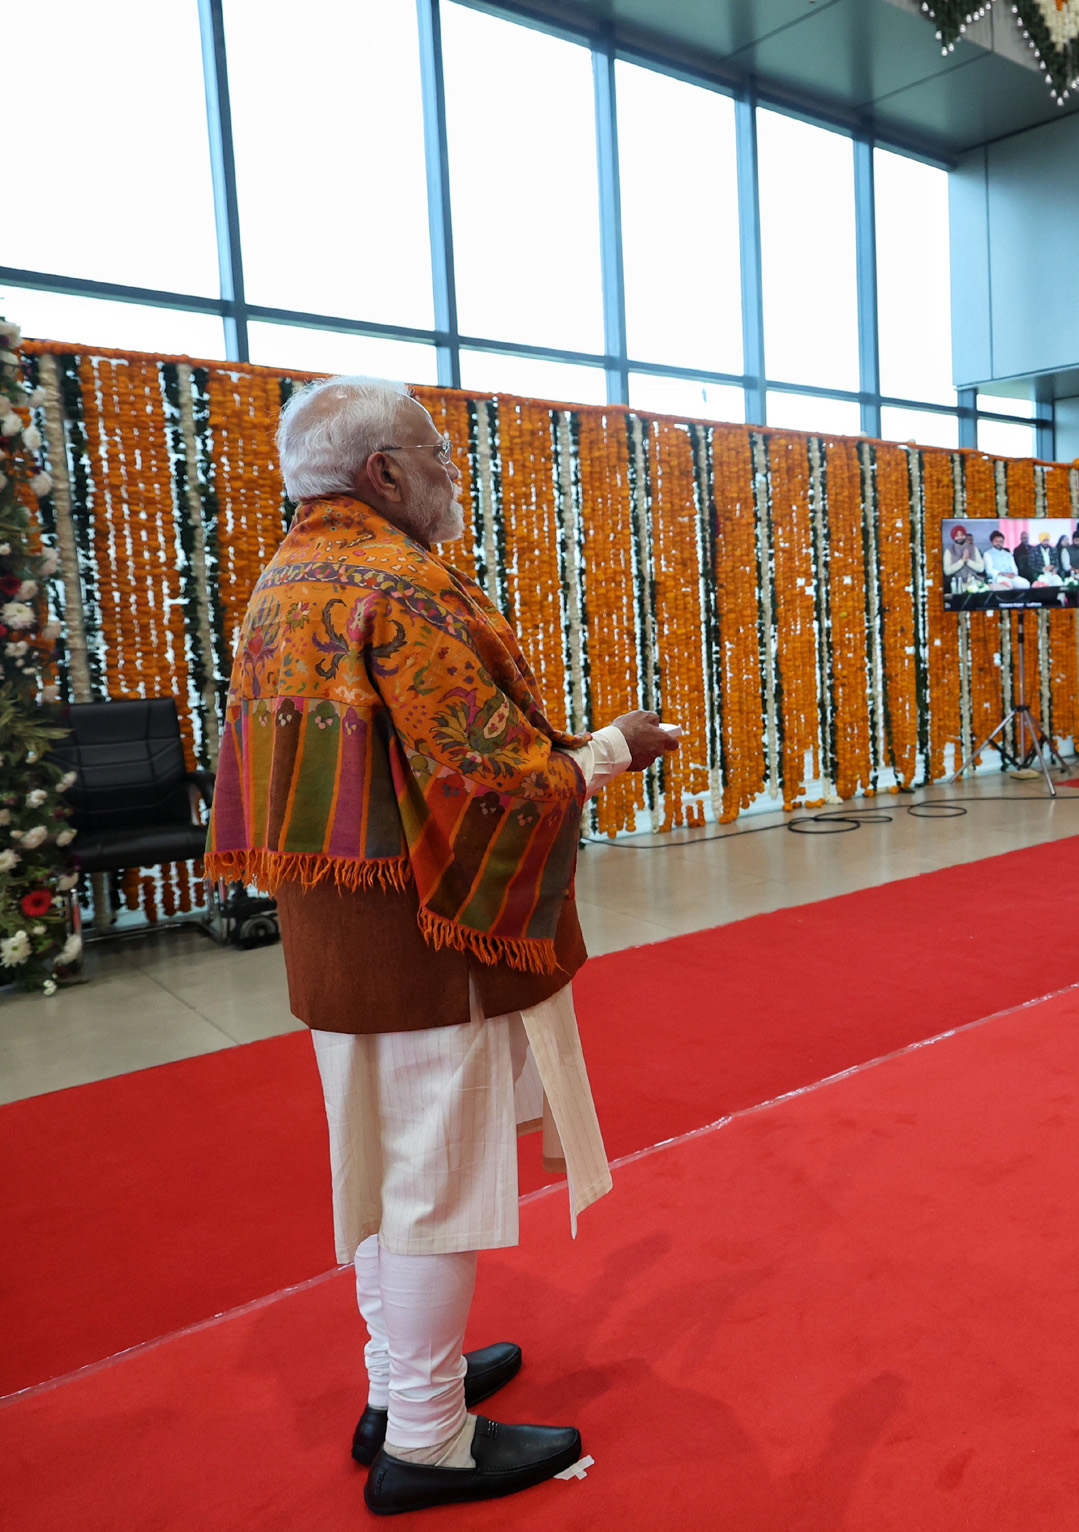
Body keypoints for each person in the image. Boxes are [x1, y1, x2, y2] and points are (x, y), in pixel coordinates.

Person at [205, 376, 680, 1516]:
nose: (449, 470)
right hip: (428, 935)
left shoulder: (286, 574)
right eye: (434, 452)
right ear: (381, 472)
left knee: (382, 1168)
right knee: (432, 1184)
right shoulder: (402, 583)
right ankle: (427, 1439)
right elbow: (491, 780)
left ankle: (398, 1384)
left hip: (334, 931)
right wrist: (611, 749)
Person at [943, 522, 987, 593]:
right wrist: (962, 561)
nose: (960, 537)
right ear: (953, 537)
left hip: (975, 582)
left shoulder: (974, 548)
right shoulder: (948, 551)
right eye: (957, 535)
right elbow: (947, 571)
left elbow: (981, 568)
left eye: (962, 535)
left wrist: (968, 561)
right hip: (958, 585)